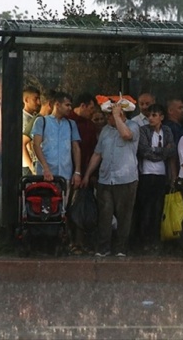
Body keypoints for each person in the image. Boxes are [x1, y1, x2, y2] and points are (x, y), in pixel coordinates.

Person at [82, 102, 140, 257]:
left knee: (124, 216)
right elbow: (97, 154)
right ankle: (103, 247)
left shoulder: (133, 126)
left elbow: (126, 135)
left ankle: (121, 248)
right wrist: (87, 174)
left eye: (110, 114)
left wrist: (117, 116)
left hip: (126, 179)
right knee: (105, 215)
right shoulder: (105, 131)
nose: (108, 117)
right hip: (106, 179)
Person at [135, 104, 177, 251]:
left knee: (158, 208)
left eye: (154, 115)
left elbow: (171, 150)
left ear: (161, 117)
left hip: (161, 175)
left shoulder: (167, 130)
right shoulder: (143, 130)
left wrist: (157, 152)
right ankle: (144, 240)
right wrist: (161, 151)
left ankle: (156, 240)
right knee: (146, 208)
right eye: (149, 116)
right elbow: (144, 151)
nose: (151, 118)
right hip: (146, 174)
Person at [31, 91, 82, 196]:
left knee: (63, 207)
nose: (70, 108)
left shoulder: (71, 124)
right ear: (57, 105)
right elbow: (36, 145)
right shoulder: (42, 121)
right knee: (44, 205)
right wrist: (45, 167)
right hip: (46, 174)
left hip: (65, 174)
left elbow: (76, 148)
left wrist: (77, 172)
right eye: (67, 105)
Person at [67, 92, 99, 254]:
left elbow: (94, 151)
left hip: (84, 174)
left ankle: (79, 242)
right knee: (67, 207)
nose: (93, 112)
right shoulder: (68, 122)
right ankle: (69, 241)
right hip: (67, 171)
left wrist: (90, 174)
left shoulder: (90, 126)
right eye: (91, 108)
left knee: (81, 207)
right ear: (83, 106)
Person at [22, 89, 55, 176]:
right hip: (33, 168)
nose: (38, 102)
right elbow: (23, 142)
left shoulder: (47, 120)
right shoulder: (37, 120)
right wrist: (31, 167)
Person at [22, 86, 41, 175]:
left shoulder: (35, 117)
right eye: (35, 99)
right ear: (26, 100)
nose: (38, 102)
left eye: (39, 99)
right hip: (26, 164)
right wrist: (31, 166)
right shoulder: (22, 119)